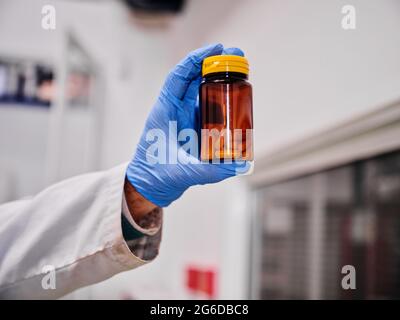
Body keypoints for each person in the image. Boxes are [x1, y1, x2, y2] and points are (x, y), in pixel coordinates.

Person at [0, 44, 248, 299]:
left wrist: (137, 191)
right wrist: (141, 187)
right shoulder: (223, 89)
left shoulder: (235, 89)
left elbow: (14, 248)